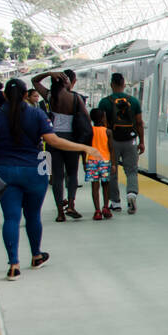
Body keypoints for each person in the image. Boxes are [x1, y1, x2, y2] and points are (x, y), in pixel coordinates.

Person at [0, 79, 101, 280]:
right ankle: (36, 256)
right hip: (34, 171)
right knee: (33, 216)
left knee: (11, 218)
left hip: (5, 172)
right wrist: (85, 148)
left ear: (5, 96)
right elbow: (53, 141)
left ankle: (13, 266)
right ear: (27, 95)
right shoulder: (36, 114)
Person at [32, 68, 90, 221]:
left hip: (53, 140)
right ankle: (70, 204)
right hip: (71, 140)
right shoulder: (76, 98)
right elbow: (86, 119)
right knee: (72, 173)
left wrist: (49, 73)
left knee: (57, 176)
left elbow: (34, 81)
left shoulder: (50, 96)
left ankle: (60, 212)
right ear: (68, 82)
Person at [99, 73, 145, 215]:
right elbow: (139, 123)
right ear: (124, 84)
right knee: (131, 171)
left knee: (112, 171)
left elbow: (102, 124)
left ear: (112, 84)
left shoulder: (105, 102)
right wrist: (141, 142)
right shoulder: (134, 101)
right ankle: (131, 195)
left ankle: (115, 202)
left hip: (112, 140)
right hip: (130, 140)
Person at [85, 109, 114, 221]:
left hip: (92, 161)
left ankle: (97, 211)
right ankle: (106, 207)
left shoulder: (90, 131)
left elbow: (85, 148)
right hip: (105, 161)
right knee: (106, 186)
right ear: (103, 118)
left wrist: (84, 162)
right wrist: (114, 164)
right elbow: (111, 149)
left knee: (94, 187)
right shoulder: (108, 132)